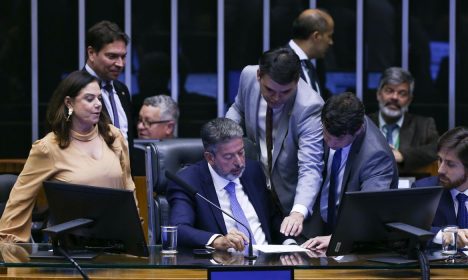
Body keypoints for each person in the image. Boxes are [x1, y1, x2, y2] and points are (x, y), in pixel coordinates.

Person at [0, 71, 138, 243]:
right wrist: (10, 248)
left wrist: (136, 235)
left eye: (99, 98)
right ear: (69, 103)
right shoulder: (48, 147)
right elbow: (19, 200)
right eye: (89, 99)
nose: (98, 105)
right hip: (73, 248)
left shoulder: (114, 136)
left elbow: (128, 187)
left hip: (118, 241)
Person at [226, 48, 324, 240]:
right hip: (256, 190)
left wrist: (298, 211)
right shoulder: (247, 76)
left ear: (297, 81)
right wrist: (224, 137)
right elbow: (238, 108)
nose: (276, 98)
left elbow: (310, 167)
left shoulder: (310, 106)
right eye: (269, 90)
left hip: (291, 200)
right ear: (258, 76)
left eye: (285, 92)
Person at [167, 118, 288, 251]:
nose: (239, 162)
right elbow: (178, 229)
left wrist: (291, 243)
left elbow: (272, 219)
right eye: (229, 156)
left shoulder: (253, 171)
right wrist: (216, 240)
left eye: (241, 152)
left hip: (268, 261)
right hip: (224, 264)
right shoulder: (188, 182)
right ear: (210, 158)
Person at [302, 92, 398, 250]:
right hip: (317, 226)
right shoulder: (327, 120)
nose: (331, 143)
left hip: (356, 242)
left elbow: (369, 213)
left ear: (358, 129)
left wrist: (336, 238)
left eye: (339, 139)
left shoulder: (377, 156)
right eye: (326, 134)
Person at [83, 21, 135, 166]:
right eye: (112, 56)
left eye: (123, 57)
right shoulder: (74, 88)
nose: (120, 64)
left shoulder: (122, 90)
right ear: (92, 53)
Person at [369, 67, 439, 175]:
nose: (395, 97)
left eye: (402, 93)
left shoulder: (424, 125)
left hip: (411, 188)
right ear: (379, 94)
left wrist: (402, 155)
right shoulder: (365, 124)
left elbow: (436, 149)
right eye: (389, 91)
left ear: (409, 100)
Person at [413, 127, 468, 248]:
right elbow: (410, 232)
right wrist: (444, 235)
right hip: (440, 266)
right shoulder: (423, 190)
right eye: (440, 160)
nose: (440, 170)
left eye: (450, 164)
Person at [287, 8, 334, 98]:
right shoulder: (281, 63)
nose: (331, 42)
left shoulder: (314, 65)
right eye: (329, 36)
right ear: (316, 36)